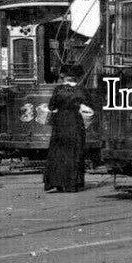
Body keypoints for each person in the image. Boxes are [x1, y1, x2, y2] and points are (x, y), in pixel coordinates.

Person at [44, 65, 92, 193]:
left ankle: (57, 183)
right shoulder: (80, 90)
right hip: (74, 122)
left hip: (60, 123)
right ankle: (72, 184)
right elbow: (89, 105)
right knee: (74, 153)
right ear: (76, 78)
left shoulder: (58, 89)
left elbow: (51, 106)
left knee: (58, 153)